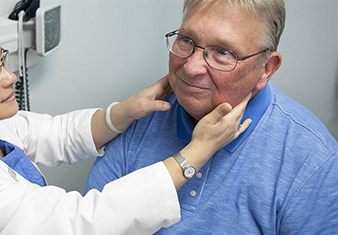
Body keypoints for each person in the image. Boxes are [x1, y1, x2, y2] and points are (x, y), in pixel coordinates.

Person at [0, 5, 252, 235]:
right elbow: (82, 222)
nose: (10, 78)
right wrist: (193, 155)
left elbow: (56, 134)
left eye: (3, 61)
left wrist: (122, 112)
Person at [86, 0, 338, 234]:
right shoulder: (141, 117)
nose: (191, 67)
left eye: (224, 52)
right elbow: (92, 224)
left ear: (266, 68)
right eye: (186, 40)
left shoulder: (314, 161)